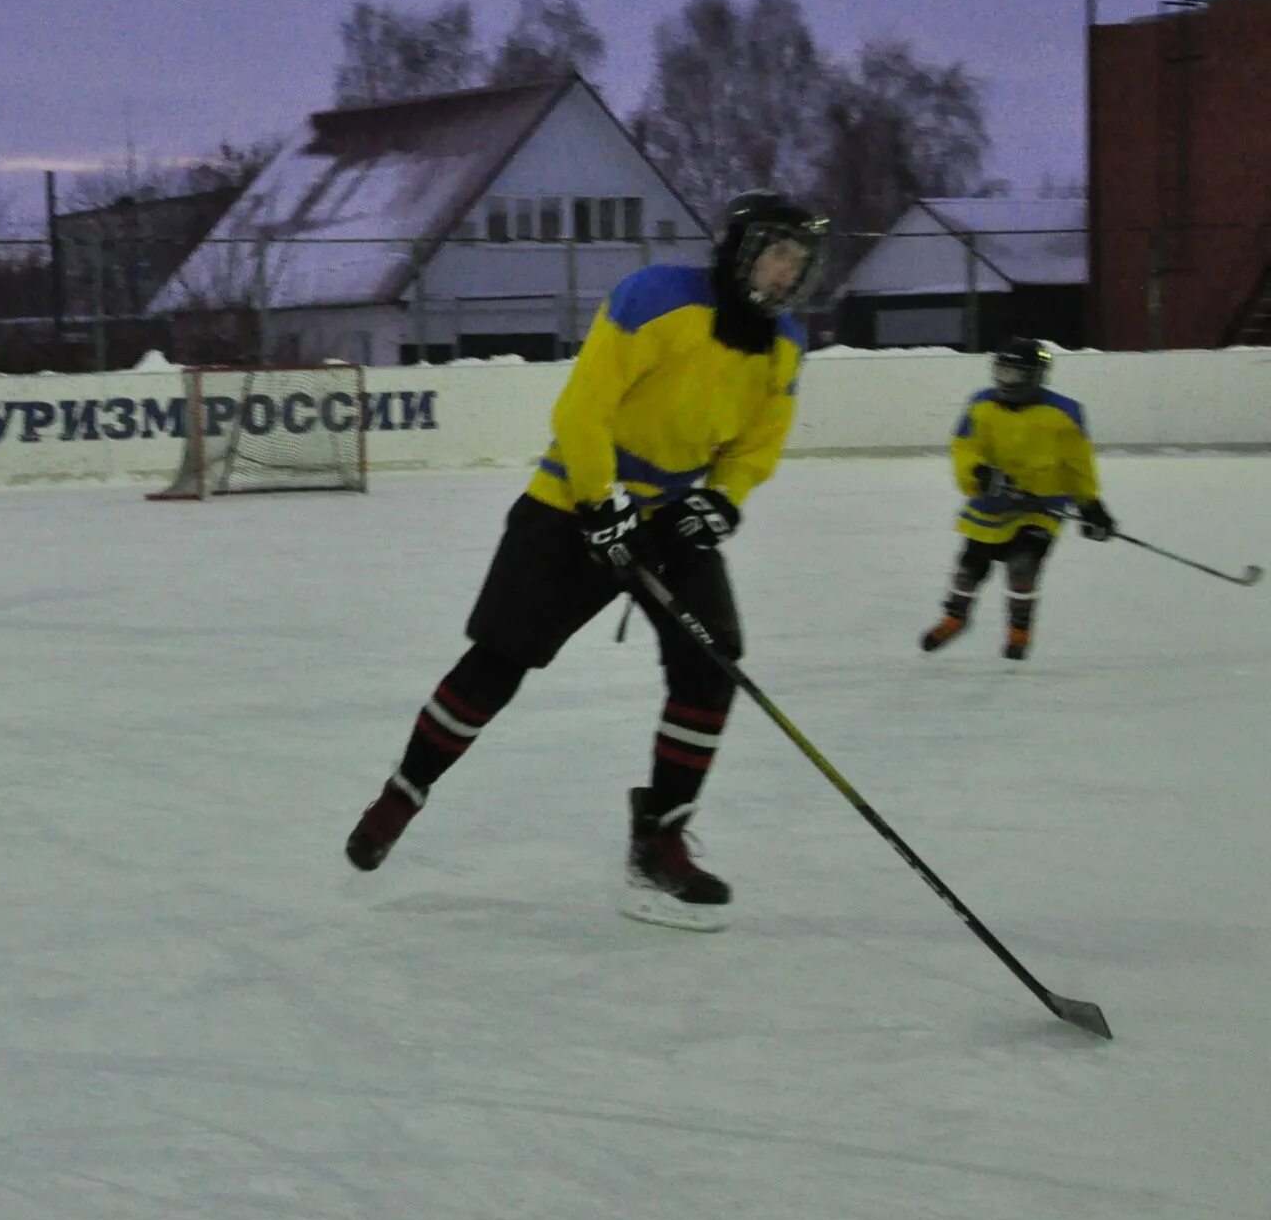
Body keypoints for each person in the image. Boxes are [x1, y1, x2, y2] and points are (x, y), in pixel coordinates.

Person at [342, 191, 828, 932]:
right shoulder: (654, 299)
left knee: (713, 660)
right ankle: (403, 792)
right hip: (572, 497)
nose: (786, 272)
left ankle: (659, 838)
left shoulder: (783, 343)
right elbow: (582, 410)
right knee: (500, 660)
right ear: (740, 249)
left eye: (798, 261)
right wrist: (601, 505)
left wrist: (722, 500)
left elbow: (757, 443)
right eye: (776, 253)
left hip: (668, 513)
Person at [920, 338, 1113, 661]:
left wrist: (1090, 504)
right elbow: (964, 448)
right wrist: (979, 473)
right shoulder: (980, 405)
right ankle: (955, 616)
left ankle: (1020, 628)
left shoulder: (1065, 413)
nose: (1006, 381)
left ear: (1036, 376)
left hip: (1042, 506)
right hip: (993, 503)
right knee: (969, 569)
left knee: (1023, 567)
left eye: (1016, 374)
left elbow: (1078, 464)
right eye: (1003, 372)